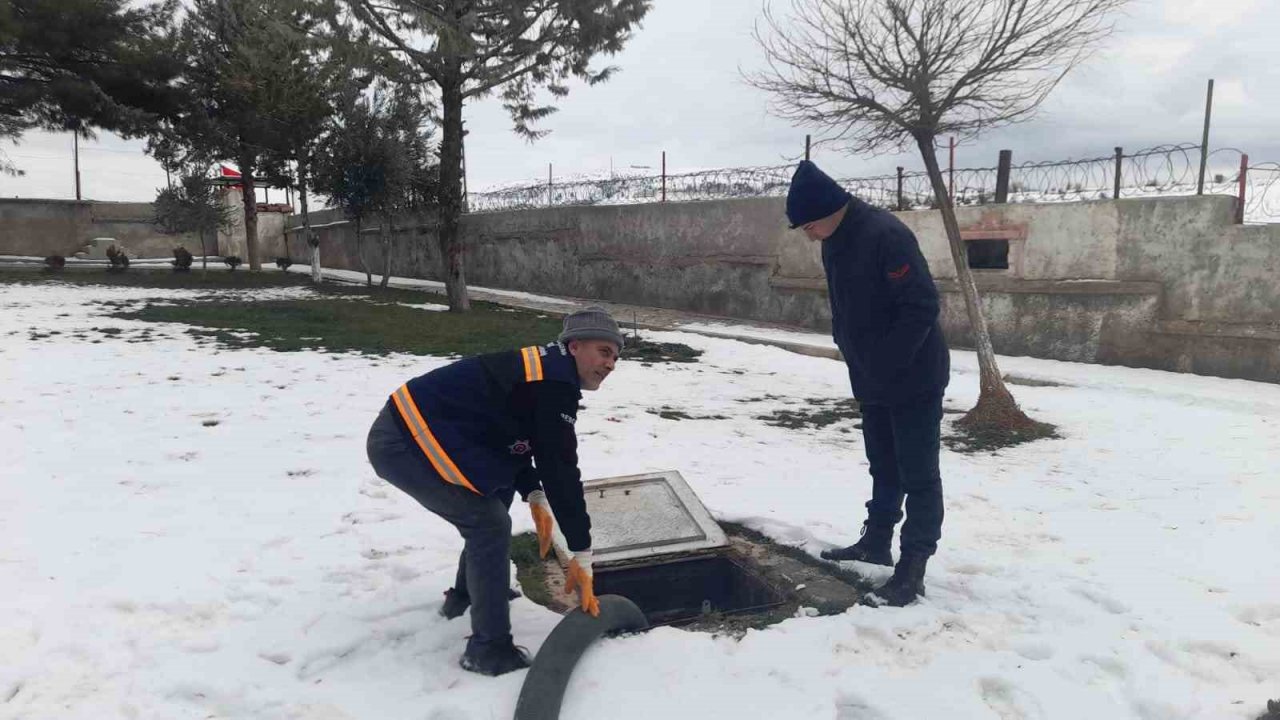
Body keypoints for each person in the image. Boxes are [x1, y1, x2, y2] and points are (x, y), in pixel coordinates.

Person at [365, 306, 623, 675]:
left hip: (435, 433)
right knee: (487, 523)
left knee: (494, 497)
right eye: (604, 351)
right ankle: (489, 650)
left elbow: (508, 434)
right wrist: (581, 549)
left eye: (615, 357)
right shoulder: (552, 383)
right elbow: (560, 467)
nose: (611, 364)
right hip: (405, 440)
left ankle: (467, 597)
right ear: (575, 345)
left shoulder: (545, 371)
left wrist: (530, 490)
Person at [785, 160, 950, 607]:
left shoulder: (885, 235)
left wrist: (889, 363)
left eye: (809, 225)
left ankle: (912, 568)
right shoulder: (834, 239)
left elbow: (921, 306)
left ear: (830, 209)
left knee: (918, 472)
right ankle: (876, 540)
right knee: (883, 463)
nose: (808, 234)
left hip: (913, 375)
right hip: (872, 375)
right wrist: (856, 355)